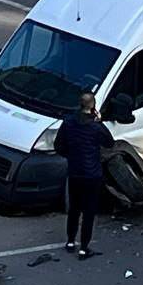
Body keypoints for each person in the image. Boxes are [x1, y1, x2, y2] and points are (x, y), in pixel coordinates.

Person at [53, 91, 115, 259]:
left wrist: (71, 156)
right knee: (89, 212)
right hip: (92, 175)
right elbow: (110, 142)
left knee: (74, 209)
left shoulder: (69, 122)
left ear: (79, 104)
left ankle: (70, 241)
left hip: (75, 173)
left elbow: (58, 145)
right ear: (93, 106)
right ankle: (84, 247)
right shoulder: (95, 127)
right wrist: (100, 121)